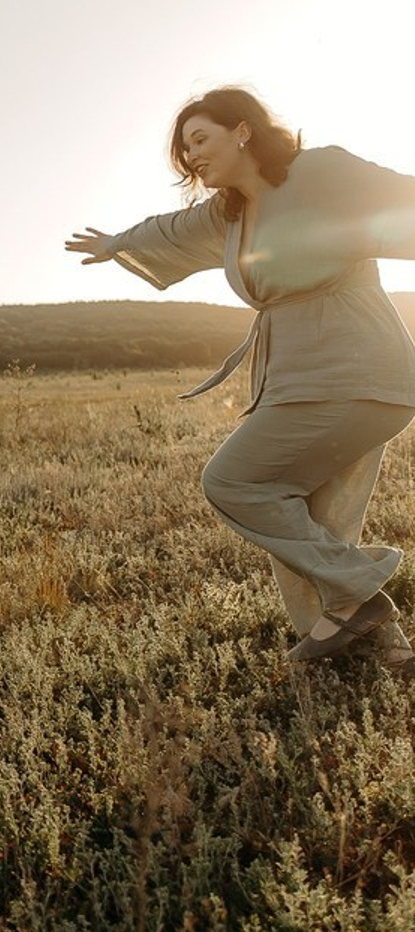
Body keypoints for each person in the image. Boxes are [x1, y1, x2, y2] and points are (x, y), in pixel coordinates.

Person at [66, 86, 415, 672]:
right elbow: (168, 230)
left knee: (235, 482)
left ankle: (362, 592)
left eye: (201, 138)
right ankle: (381, 646)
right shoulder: (229, 214)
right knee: (307, 517)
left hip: (357, 368)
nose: (193, 156)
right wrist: (116, 243)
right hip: (295, 377)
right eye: (185, 150)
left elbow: (399, 196)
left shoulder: (318, 171)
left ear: (243, 130)